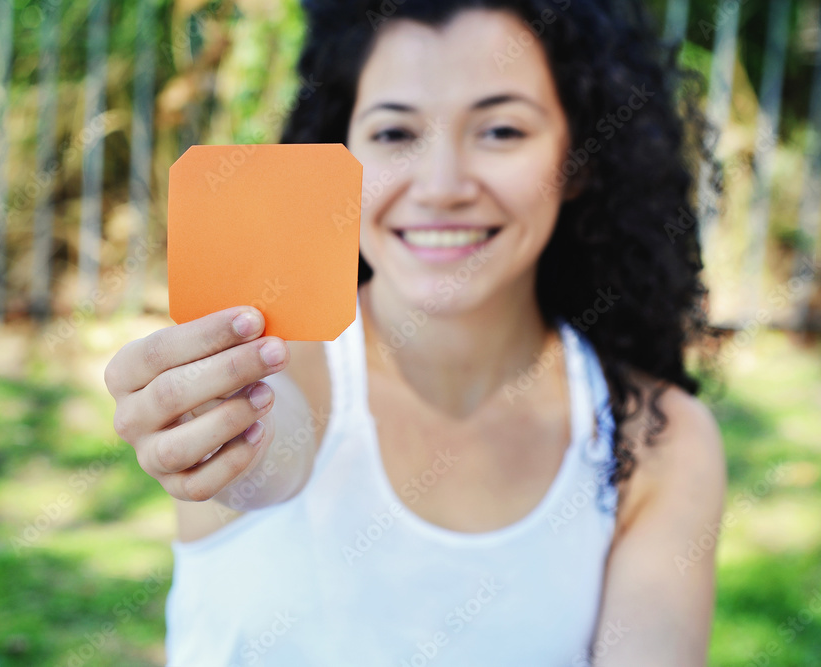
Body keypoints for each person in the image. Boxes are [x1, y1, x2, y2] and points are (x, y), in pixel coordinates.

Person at [103, 0, 727, 664]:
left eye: (501, 131)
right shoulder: (276, 362)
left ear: (579, 161)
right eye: (396, 134)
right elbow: (265, 449)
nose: (441, 185)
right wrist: (219, 433)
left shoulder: (662, 441)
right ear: (342, 157)